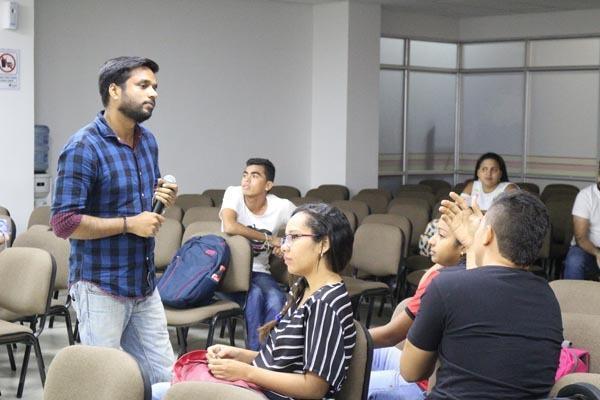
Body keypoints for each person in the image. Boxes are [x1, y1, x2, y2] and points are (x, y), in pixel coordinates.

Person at [50, 56, 177, 384]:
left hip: (144, 285)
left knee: (166, 380)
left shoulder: (147, 141)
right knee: (107, 383)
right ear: (114, 91)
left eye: (155, 87)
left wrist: (161, 195)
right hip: (100, 286)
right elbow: (64, 223)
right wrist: (128, 224)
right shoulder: (83, 147)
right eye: (143, 85)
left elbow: (139, 200)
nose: (154, 93)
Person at [152, 203, 357, 400]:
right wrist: (239, 355)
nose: (284, 247)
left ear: (324, 244)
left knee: (162, 393)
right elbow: (282, 361)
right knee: (164, 389)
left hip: (271, 395)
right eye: (285, 238)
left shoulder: (325, 303)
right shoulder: (305, 287)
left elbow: (314, 388)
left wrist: (246, 372)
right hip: (264, 389)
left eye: (294, 237)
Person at [400, 191, 563, 399]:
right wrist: (471, 244)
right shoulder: (548, 298)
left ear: (487, 234)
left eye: (481, 225)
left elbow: (410, 371)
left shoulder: (446, 287)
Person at [367, 218, 466, 400]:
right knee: (352, 356)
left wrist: (345, 337)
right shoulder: (445, 272)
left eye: (441, 235)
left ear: (464, 246)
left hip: (424, 385)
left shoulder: (442, 283)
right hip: (418, 371)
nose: (431, 240)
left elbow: (391, 336)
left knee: (348, 382)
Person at [220, 158, 296, 350]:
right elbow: (230, 225)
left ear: (268, 185)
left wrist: (286, 243)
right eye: (245, 174)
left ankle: (269, 353)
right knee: (254, 296)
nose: (246, 180)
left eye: (255, 176)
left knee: (277, 299)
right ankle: (254, 355)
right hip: (229, 271)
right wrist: (270, 239)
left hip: (260, 271)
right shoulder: (234, 193)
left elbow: (305, 226)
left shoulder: (282, 206)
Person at [564, 162, 600, 280]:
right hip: (588, 250)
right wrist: (597, 253)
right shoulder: (586, 196)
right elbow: (581, 238)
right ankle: (571, 296)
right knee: (575, 261)